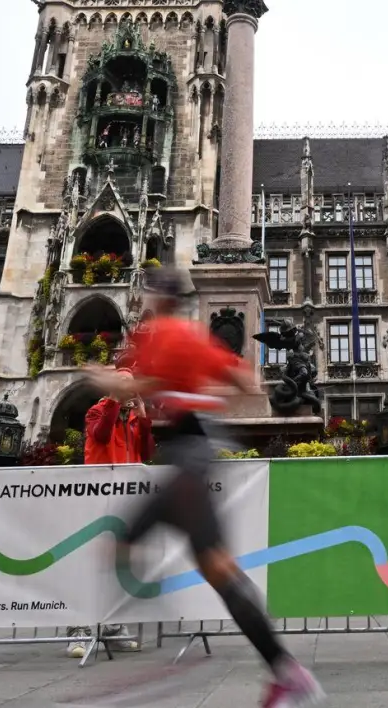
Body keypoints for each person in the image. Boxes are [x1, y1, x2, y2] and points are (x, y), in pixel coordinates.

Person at [81, 268, 323, 708]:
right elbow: (242, 378)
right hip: (193, 459)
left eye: (149, 296)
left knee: (129, 546)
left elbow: (135, 383)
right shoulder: (194, 338)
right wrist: (201, 398)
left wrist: (107, 379)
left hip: (187, 465)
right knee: (217, 571)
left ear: (158, 299)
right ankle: (286, 671)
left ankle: (180, 660)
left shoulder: (163, 336)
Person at [68, 382, 154, 658]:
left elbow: (147, 453)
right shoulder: (97, 411)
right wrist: (114, 400)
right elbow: (101, 436)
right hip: (98, 499)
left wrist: (143, 416)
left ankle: (113, 628)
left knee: (119, 564)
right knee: (89, 562)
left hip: (126, 500)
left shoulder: (133, 420)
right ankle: (80, 630)